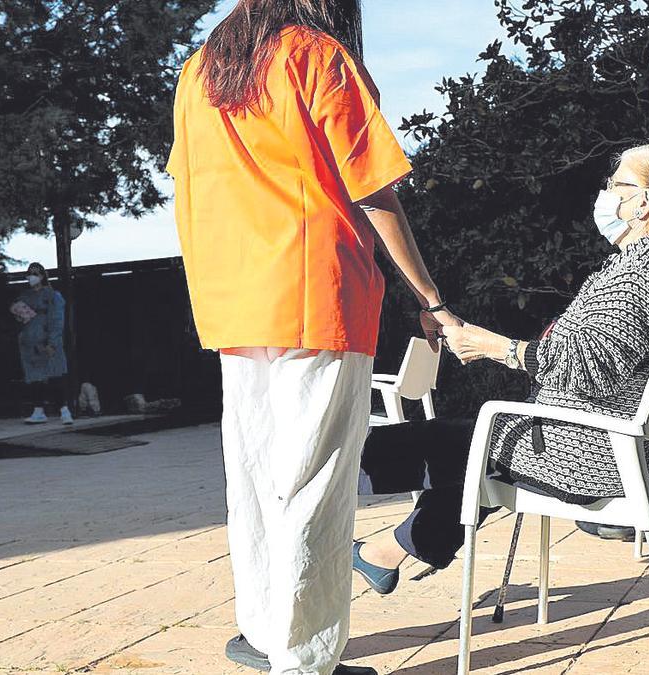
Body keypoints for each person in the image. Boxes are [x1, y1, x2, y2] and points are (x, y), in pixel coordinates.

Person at [167, 3, 458, 673]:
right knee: (315, 486)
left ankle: (266, 632)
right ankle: (305, 657)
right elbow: (373, 188)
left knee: (256, 478)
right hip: (317, 292)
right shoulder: (313, 54)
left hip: (237, 302)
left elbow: (191, 187)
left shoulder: (199, 70)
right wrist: (430, 297)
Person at [352, 143, 649, 586]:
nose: (607, 194)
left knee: (403, 449)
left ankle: (331, 487)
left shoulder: (645, 268)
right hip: (610, 445)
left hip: (586, 454)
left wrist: (495, 346)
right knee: (470, 449)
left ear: (644, 201)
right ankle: (387, 552)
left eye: (616, 185)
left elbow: (588, 364)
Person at [13, 262, 72, 425]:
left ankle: (64, 410)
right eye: (30, 273)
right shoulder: (25, 296)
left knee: (55, 375)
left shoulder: (53, 296)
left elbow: (57, 320)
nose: (32, 276)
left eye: (36, 273)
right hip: (30, 341)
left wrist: (52, 342)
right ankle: (38, 410)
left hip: (46, 339)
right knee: (35, 378)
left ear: (43, 276)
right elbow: (19, 318)